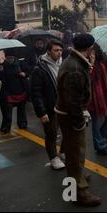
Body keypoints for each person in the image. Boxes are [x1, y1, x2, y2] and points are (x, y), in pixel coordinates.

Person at [55, 33, 101, 206]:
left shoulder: (74, 62)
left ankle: (76, 177)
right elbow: (72, 101)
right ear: (89, 49)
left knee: (72, 151)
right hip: (71, 115)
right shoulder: (75, 68)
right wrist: (79, 121)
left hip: (67, 113)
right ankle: (79, 192)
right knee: (76, 153)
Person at [30, 39, 65, 170]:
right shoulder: (40, 69)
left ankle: (61, 153)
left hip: (64, 105)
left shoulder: (63, 64)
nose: (59, 53)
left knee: (67, 132)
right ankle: (53, 158)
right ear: (48, 52)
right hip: (50, 107)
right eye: (56, 50)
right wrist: (41, 112)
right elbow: (36, 93)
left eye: (61, 50)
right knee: (51, 134)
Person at [88, 43, 107, 156]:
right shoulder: (86, 65)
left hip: (104, 96)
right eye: (90, 51)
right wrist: (91, 65)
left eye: (94, 51)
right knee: (96, 123)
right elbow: (87, 80)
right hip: (93, 98)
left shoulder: (102, 62)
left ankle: (100, 138)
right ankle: (99, 145)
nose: (92, 54)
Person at [0, 49, 29, 133]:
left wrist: (24, 74)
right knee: (7, 112)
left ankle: (22, 124)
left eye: (11, 57)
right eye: (8, 58)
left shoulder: (21, 63)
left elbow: (28, 70)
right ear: (5, 57)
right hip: (7, 92)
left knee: (21, 110)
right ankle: (6, 127)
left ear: (14, 57)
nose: (10, 59)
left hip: (21, 91)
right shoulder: (2, 65)